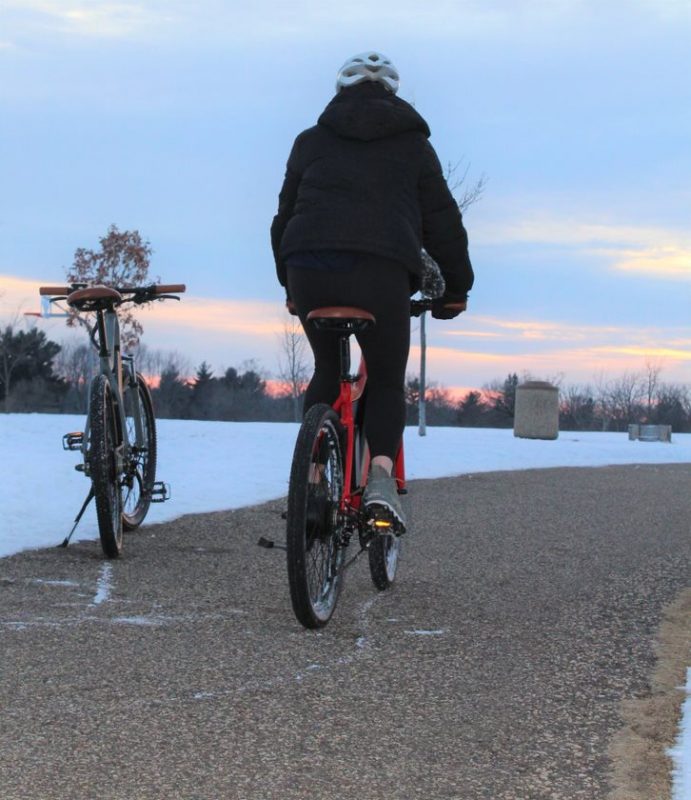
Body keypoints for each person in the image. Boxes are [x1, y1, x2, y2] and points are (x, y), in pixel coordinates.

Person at [271, 51, 474, 532]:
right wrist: (456, 289)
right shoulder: (414, 146)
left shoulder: (310, 141)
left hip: (309, 266)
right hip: (381, 272)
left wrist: (291, 284)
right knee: (384, 379)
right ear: (392, 95)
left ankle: (313, 479)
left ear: (340, 91)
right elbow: (443, 222)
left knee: (326, 365)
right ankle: (381, 479)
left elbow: (283, 219)